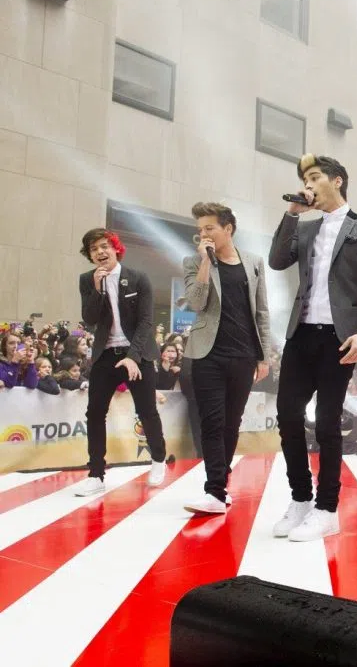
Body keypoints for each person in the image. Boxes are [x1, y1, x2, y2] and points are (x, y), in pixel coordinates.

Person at [268, 153, 357, 542]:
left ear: (337, 181)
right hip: (300, 333)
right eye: (305, 179)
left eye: (314, 177)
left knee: (326, 421)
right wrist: (291, 212)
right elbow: (275, 261)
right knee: (287, 415)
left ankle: (327, 508)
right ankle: (301, 499)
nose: (308, 184)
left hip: (339, 338)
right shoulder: (304, 228)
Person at [181, 202, 272, 515]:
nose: (203, 234)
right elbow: (195, 301)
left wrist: (264, 357)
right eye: (200, 229)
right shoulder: (193, 262)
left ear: (228, 229)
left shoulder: (254, 262)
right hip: (207, 354)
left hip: (244, 355)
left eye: (209, 228)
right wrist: (206, 261)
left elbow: (261, 312)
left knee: (232, 424)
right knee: (213, 422)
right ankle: (215, 491)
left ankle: (220, 482)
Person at [74, 229, 167, 496]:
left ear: (116, 248)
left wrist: (132, 357)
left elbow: (146, 322)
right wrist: (96, 288)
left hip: (137, 353)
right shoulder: (87, 279)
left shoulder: (138, 278)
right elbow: (90, 319)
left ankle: (158, 459)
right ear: (90, 255)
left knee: (147, 410)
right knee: (94, 413)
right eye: (94, 250)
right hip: (105, 354)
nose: (100, 253)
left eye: (104, 247)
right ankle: (96, 474)